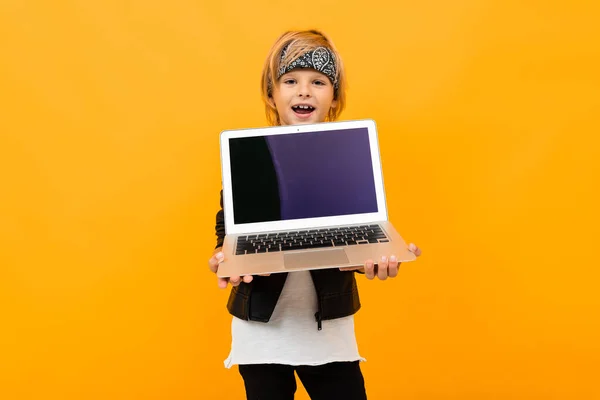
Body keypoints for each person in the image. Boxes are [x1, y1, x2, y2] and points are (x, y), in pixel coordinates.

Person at [207, 29, 421, 400]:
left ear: (334, 98)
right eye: (290, 81)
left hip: (329, 328)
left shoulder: (345, 160)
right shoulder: (251, 160)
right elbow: (228, 223)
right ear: (272, 96)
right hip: (261, 331)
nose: (303, 91)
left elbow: (359, 226)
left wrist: (367, 258)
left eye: (318, 82)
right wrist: (226, 255)